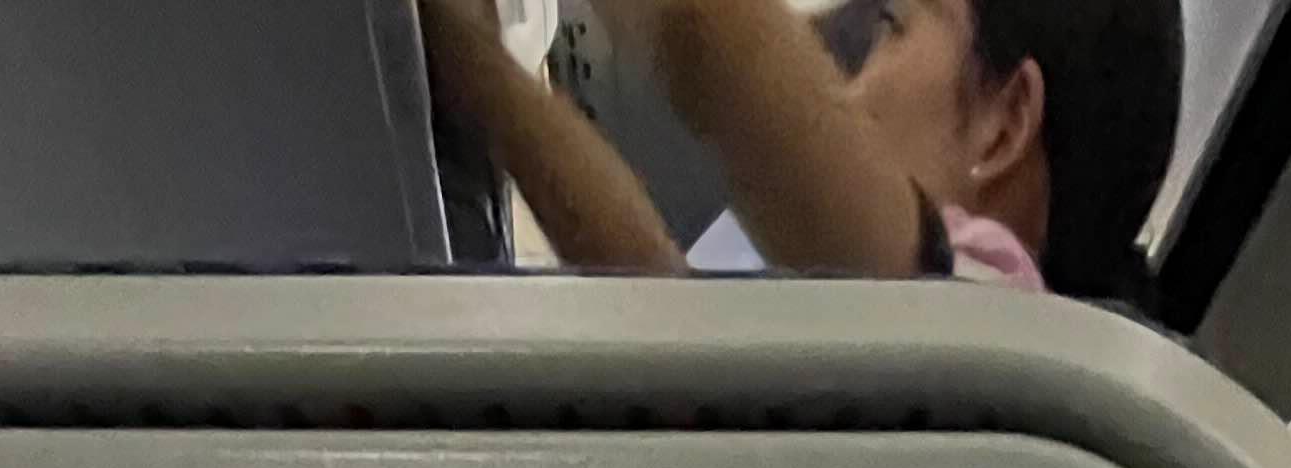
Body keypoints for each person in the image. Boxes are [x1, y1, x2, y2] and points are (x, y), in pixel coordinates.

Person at [419, 0, 1187, 299]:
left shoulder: (998, 323)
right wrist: (477, 64)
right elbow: (658, 297)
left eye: (892, 27)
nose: (849, 88)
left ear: (1006, 122)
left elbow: (709, 51)